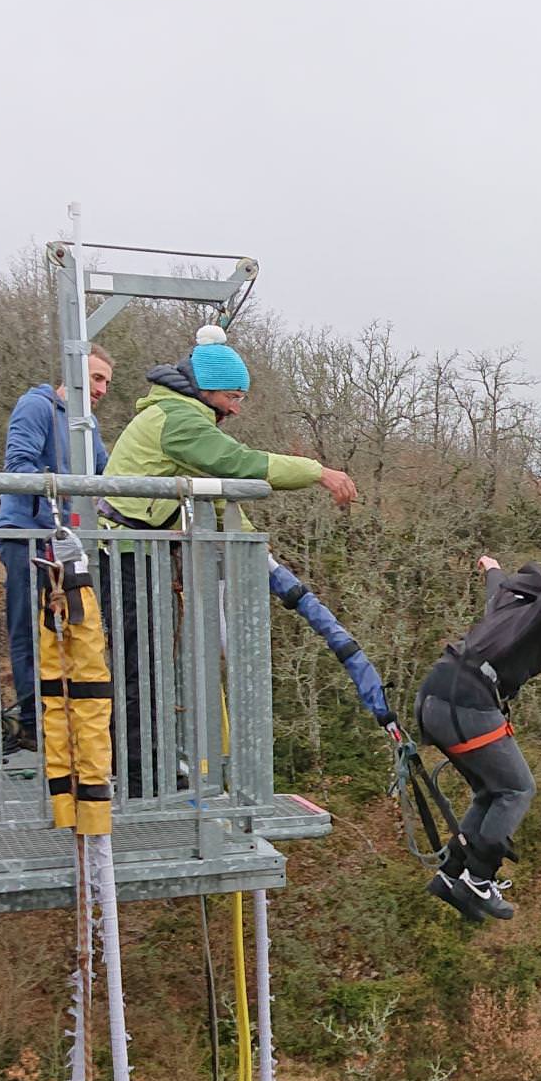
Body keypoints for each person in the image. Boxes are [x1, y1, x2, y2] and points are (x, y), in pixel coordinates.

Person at [99, 329, 357, 795]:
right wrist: (318, 472)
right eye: (231, 396)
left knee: (151, 665)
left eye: (240, 397)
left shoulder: (179, 414)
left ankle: (151, 769)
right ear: (205, 389)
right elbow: (236, 463)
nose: (237, 407)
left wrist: (246, 543)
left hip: (137, 553)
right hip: (129, 556)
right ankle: (140, 778)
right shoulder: (180, 421)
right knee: (141, 667)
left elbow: (210, 490)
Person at [417, 548, 541, 922]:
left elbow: (499, 590)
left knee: (491, 791)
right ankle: (478, 878)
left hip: (436, 697)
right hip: (466, 701)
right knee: (517, 789)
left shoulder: (516, 605)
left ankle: (451, 876)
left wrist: (491, 569)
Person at [0, 349, 113, 761]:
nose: (101, 390)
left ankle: (70, 718)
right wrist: (61, 493)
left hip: (67, 541)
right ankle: (33, 722)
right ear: (74, 378)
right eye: (95, 379)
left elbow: (104, 476)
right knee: (29, 628)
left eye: (106, 383)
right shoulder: (37, 406)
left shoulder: (87, 425)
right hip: (27, 534)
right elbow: (19, 465)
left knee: (76, 630)